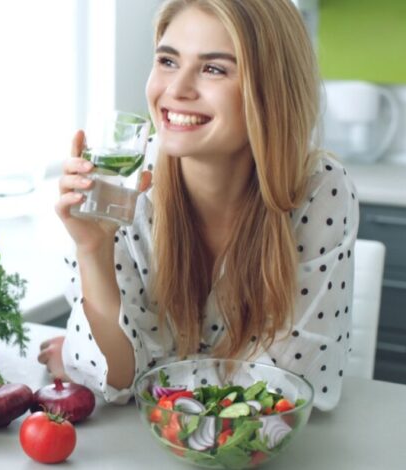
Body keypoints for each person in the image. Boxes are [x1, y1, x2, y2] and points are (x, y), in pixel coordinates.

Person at [39, 0, 359, 411]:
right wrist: (92, 249)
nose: (177, 89)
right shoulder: (129, 182)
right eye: (168, 61)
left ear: (271, 89)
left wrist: (149, 367)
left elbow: (284, 392)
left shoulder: (319, 189)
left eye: (214, 68)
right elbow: (117, 380)